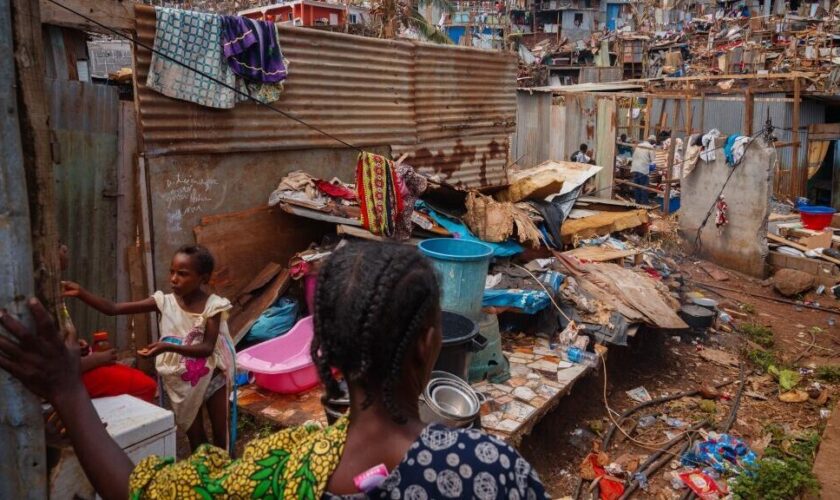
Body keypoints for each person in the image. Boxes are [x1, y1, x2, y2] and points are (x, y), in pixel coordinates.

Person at [0, 242, 549, 500]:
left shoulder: (277, 472)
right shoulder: (490, 469)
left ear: (324, 353)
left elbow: (139, 490)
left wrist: (67, 390)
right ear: (430, 344)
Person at [61, 244, 235, 451]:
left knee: (221, 435)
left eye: (182, 274)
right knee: (195, 436)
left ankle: (228, 476)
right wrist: (81, 293)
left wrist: (167, 347)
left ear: (203, 278)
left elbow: (207, 348)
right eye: (172, 272)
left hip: (213, 376)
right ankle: (204, 477)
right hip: (181, 380)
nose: (173, 279)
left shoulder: (213, 306)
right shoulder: (165, 302)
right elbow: (113, 309)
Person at [58, 243, 157, 403]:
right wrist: (96, 359)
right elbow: (112, 308)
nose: (65, 248)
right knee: (145, 385)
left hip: (74, 366)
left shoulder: (55, 289)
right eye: (58, 246)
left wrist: (76, 345)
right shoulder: (43, 296)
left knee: (138, 379)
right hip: (66, 377)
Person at [630, 135, 657, 205]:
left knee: (637, 186)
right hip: (643, 169)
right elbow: (653, 161)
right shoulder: (651, 147)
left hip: (635, 168)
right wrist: (653, 168)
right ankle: (644, 204)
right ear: (653, 142)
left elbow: (634, 156)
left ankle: (637, 202)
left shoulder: (639, 145)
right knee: (644, 187)